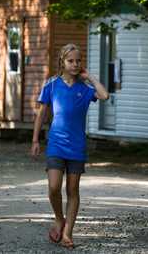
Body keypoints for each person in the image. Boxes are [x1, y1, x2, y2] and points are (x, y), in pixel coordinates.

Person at [31, 43, 109, 249]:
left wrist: (90, 76)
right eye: (70, 61)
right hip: (56, 144)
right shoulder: (51, 85)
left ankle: (67, 233)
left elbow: (105, 95)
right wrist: (35, 140)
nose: (75, 64)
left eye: (78, 61)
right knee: (54, 187)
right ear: (62, 62)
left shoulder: (85, 89)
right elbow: (42, 114)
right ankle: (59, 218)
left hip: (77, 147)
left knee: (73, 189)